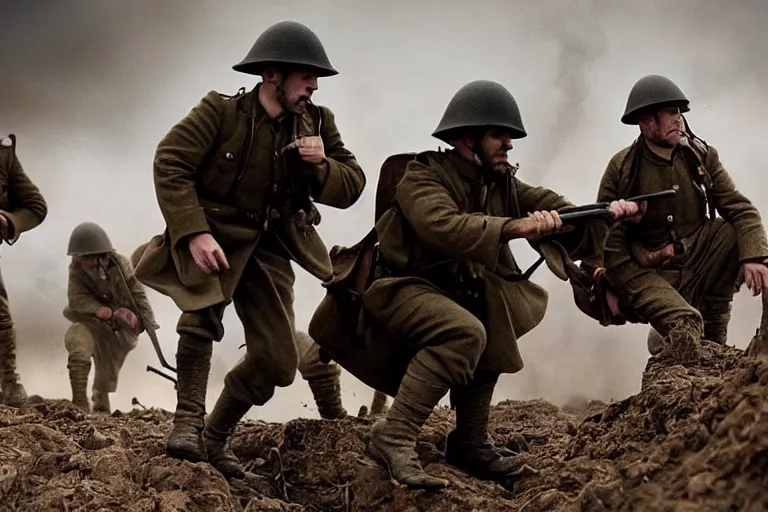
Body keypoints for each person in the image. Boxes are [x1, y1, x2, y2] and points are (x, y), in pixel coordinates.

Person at [357, 80, 640, 488]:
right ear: (468, 138)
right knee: (466, 332)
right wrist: (515, 227)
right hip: (401, 288)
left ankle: (469, 441)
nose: (509, 144)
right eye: (499, 135)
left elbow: (560, 210)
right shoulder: (422, 177)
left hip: (454, 292)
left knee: (493, 326)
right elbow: (443, 226)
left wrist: (604, 215)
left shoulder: (502, 183)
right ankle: (393, 435)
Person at [131, 20, 365, 478]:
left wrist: (321, 167)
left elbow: (352, 184)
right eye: (306, 76)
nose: (314, 86)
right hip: (214, 235)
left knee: (278, 363)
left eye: (317, 79)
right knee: (200, 313)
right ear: (272, 74)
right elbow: (170, 161)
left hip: (274, 244)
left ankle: (216, 438)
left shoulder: (318, 122)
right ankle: (187, 423)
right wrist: (193, 232)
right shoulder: (219, 113)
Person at [596, 74, 768, 357]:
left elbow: (741, 209)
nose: (678, 119)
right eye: (670, 113)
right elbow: (601, 237)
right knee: (685, 327)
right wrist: (617, 220)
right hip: (649, 272)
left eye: (679, 112)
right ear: (646, 121)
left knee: (737, 237)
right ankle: (676, 334)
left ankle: (717, 348)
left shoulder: (700, 155)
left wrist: (754, 258)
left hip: (699, 256)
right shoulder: (623, 168)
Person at [63, 222, 158, 413]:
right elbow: (76, 298)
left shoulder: (120, 266)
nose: (81, 262)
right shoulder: (76, 269)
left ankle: (101, 399)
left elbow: (137, 293)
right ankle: (80, 403)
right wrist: (98, 309)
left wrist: (149, 322)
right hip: (89, 321)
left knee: (107, 365)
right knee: (77, 342)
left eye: (85, 258)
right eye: (79, 258)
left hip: (117, 327)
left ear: (99, 256)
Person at [0, 133, 47, 407]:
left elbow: (35, 206)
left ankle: (8, 382)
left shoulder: (4, 154)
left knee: (1, 318)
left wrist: (9, 220)